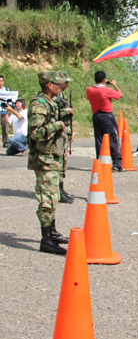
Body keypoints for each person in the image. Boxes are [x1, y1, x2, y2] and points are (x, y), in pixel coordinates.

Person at [28, 72, 71, 255]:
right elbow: (35, 134)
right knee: (47, 200)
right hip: (44, 159)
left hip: (52, 157)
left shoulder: (51, 103)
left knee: (52, 199)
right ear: (48, 85)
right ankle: (46, 241)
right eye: (57, 84)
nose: (60, 86)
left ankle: (51, 233)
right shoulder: (39, 104)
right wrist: (57, 125)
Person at [86, 71, 123, 171]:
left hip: (96, 115)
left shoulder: (89, 89)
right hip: (107, 115)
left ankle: (101, 162)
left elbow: (89, 97)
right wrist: (114, 85)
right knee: (112, 138)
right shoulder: (107, 90)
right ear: (103, 80)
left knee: (99, 140)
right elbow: (119, 95)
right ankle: (117, 163)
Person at [55, 72, 75, 204]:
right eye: (65, 82)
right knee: (59, 162)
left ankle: (61, 188)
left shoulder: (61, 95)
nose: (67, 85)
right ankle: (57, 190)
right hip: (59, 132)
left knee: (64, 161)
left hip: (65, 131)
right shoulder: (55, 95)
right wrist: (68, 110)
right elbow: (55, 111)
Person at [0, 75, 11, 147]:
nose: (0, 82)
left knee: (5, 127)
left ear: (3, 82)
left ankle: (6, 142)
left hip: (4, 111)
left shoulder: (7, 90)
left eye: (1, 81)